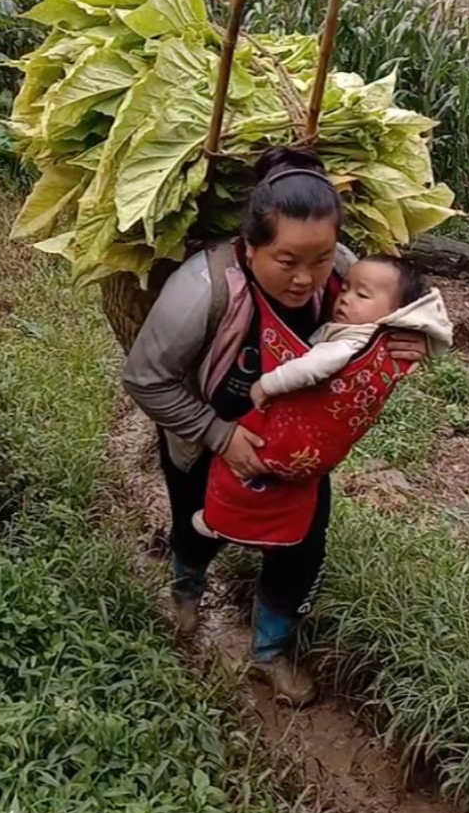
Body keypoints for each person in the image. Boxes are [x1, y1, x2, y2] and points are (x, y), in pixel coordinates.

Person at [122, 147, 428, 706]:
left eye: (322, 257)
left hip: (298, 448)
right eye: (286, 261)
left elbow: (393, 311)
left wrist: (410, 337)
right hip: (205, 437)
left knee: (301, 549)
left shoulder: (340, 272)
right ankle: (185, 594)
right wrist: (220, 435)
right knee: (197, 525)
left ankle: (270, 653)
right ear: (251, 244)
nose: (307, 279)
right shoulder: (203, 288)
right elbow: (145, 379)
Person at [192, 256, 452, 547]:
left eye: (361, 295)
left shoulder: (350, 344)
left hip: (287, 437)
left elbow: (311, 367)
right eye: (344, 289)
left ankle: (218, 520)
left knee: (237, 472)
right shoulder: (374, 338)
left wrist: (267, 385)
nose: (344, 299)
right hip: (317, 456)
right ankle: (283, 535)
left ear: (397, 314)